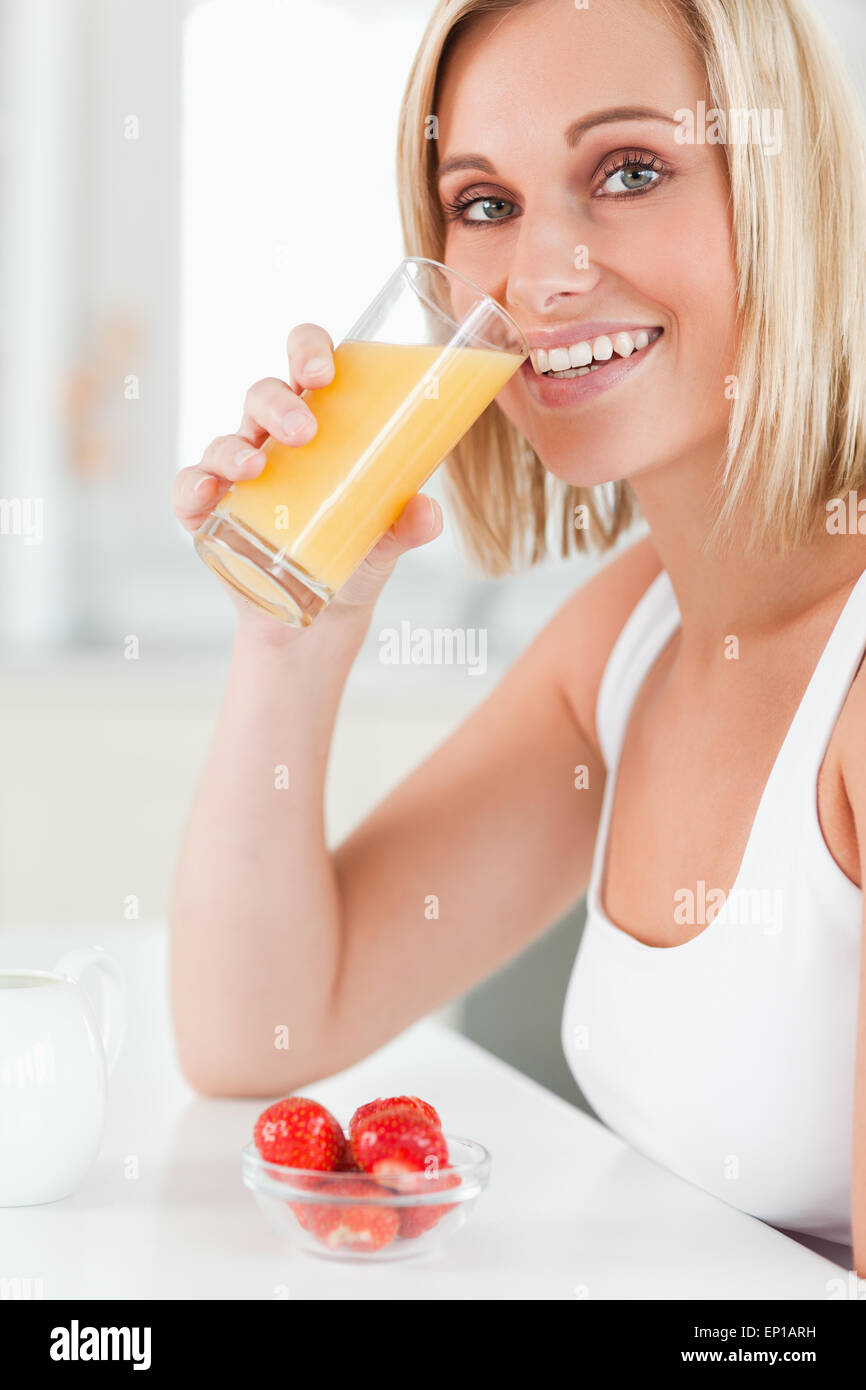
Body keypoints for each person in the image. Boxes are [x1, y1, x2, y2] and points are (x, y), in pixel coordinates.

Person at [170, 0, 866, 1272]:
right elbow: (252, 1033)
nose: (539, 274)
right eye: (484, 202)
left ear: (787, 194)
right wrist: (293, 630)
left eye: (629, 171)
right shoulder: (638, 635)